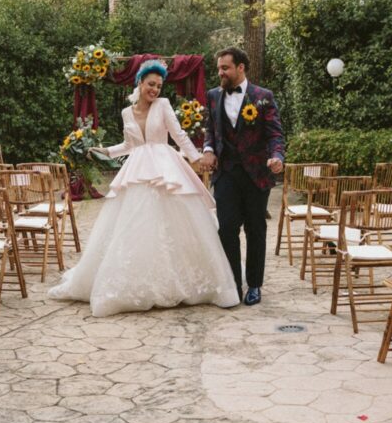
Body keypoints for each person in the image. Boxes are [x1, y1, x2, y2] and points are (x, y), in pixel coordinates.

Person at [48, 60, 239, 317]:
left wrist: (195, 158)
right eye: (151, 84)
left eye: (159, 86)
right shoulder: (127, 113)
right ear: (140, 82)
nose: (155, 90)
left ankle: (183, 283)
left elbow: (179, 135)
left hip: (164, 167)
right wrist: (104, 151)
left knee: (173, 223)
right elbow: (129, 144)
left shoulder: (163, 105)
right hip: (137, 169)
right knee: (135, 224)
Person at [200, 48, 285, 306]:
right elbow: (210, 132)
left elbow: (275, 134)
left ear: (240, 68)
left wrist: (277, 157)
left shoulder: (263, 97)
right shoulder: (213, 96)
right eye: (218, 68)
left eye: (225, 68)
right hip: (226, 174)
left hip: (256, 175)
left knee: (256, 230)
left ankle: (255, 285)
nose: (220, 73)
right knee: (226, 229)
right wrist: (208, 149)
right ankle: (233, 284)